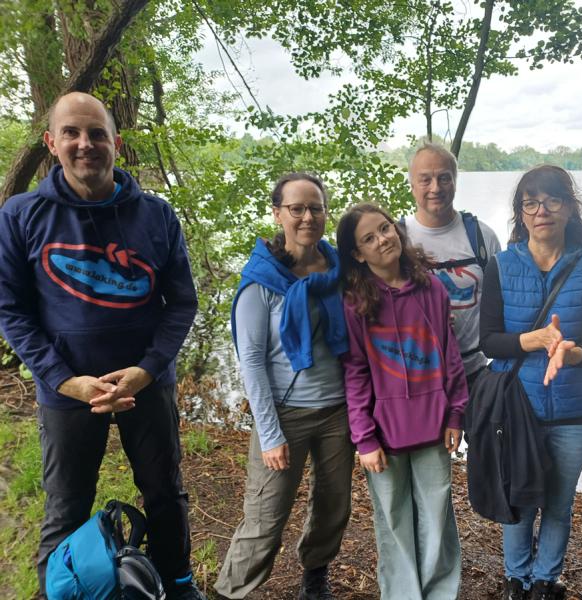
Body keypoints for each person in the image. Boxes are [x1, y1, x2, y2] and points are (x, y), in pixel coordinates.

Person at [0, 92, 203, 599]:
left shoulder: (156, 216)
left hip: (147, 384)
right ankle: (63, 591)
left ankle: (178, 584)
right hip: (67, 391)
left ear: (116, 142)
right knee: (66, 503)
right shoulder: (21, 216)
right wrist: (63, 379)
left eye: (96, 133)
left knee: (164, 494)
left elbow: (181, 303)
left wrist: (149, 368)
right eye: (71, 133)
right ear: (51, 142)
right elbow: (10, 309)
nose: (84, 144)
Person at [214, 173, 353, 600]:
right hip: (284, 414)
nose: (308, 216)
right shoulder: (262, 279)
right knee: (265, 517)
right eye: (297, 208)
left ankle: (314, 576)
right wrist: (270, 432)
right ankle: (231, 590)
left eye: (316, 207)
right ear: (278, 214)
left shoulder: (341, 270)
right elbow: (251, 361)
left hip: (337, 412)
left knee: (333, 508)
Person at [480, 165, 582, 600]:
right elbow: (489, 342)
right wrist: (532, 340)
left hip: (577, 410)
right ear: (521, 212)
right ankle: (516, 579)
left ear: (570, 208)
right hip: (517, 406)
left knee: (558, 500)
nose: (542, 210)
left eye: (553, 200)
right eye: (531, 202)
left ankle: (544, 581)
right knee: (518, 497)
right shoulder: (499, 266)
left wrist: (569, 352)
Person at [337, 203, 468, 599]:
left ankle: (440, 592)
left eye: (385, 228)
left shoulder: (432, 288)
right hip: (384, 433)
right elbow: (356, 372)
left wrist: (455, 414)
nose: (383, 239)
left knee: (436, 514)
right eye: (369, 238)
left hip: (433, 426)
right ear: (358, 254)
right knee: (393, 520)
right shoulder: (356, 303)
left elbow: (450, 355)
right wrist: (364, 437)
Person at [402, 142, 501, 388]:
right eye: (425, 180)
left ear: (455, 182)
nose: (435, 188)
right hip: (419, 377)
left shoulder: (481, 236)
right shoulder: (396, 239)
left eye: (444, 178)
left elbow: (502, 304)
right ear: (412, 185)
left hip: (476, 373)